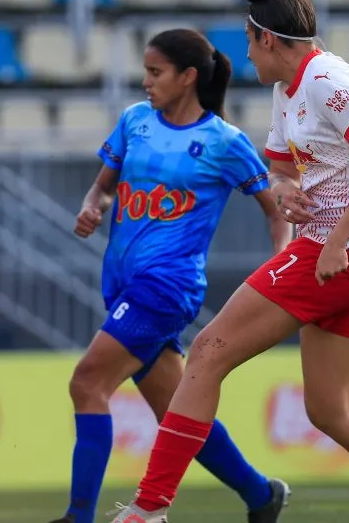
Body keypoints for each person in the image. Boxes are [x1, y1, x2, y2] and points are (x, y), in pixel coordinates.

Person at [108, 0, 349, 523]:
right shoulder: (288, 89)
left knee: (207, 354)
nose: (248, 61)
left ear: (267, 40)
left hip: (344, 256)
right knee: (330, 409)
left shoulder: (327, 80)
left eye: (249, 46)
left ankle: (149, 508)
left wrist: (334, 243)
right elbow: (280, 168)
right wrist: (283, 192)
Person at [52, 28, 293, 523]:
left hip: (166, 287)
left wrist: (282, 263)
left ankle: (79, 517)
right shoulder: (134, 122)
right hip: (121, 282)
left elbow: (276, 210)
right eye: (145, 71)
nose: (145, 82)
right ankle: (260, 495)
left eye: (155, 72)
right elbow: (101, 188)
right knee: (178, 413)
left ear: (187, 78)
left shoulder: (224, 143)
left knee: (87, 383)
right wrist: (91, 208)